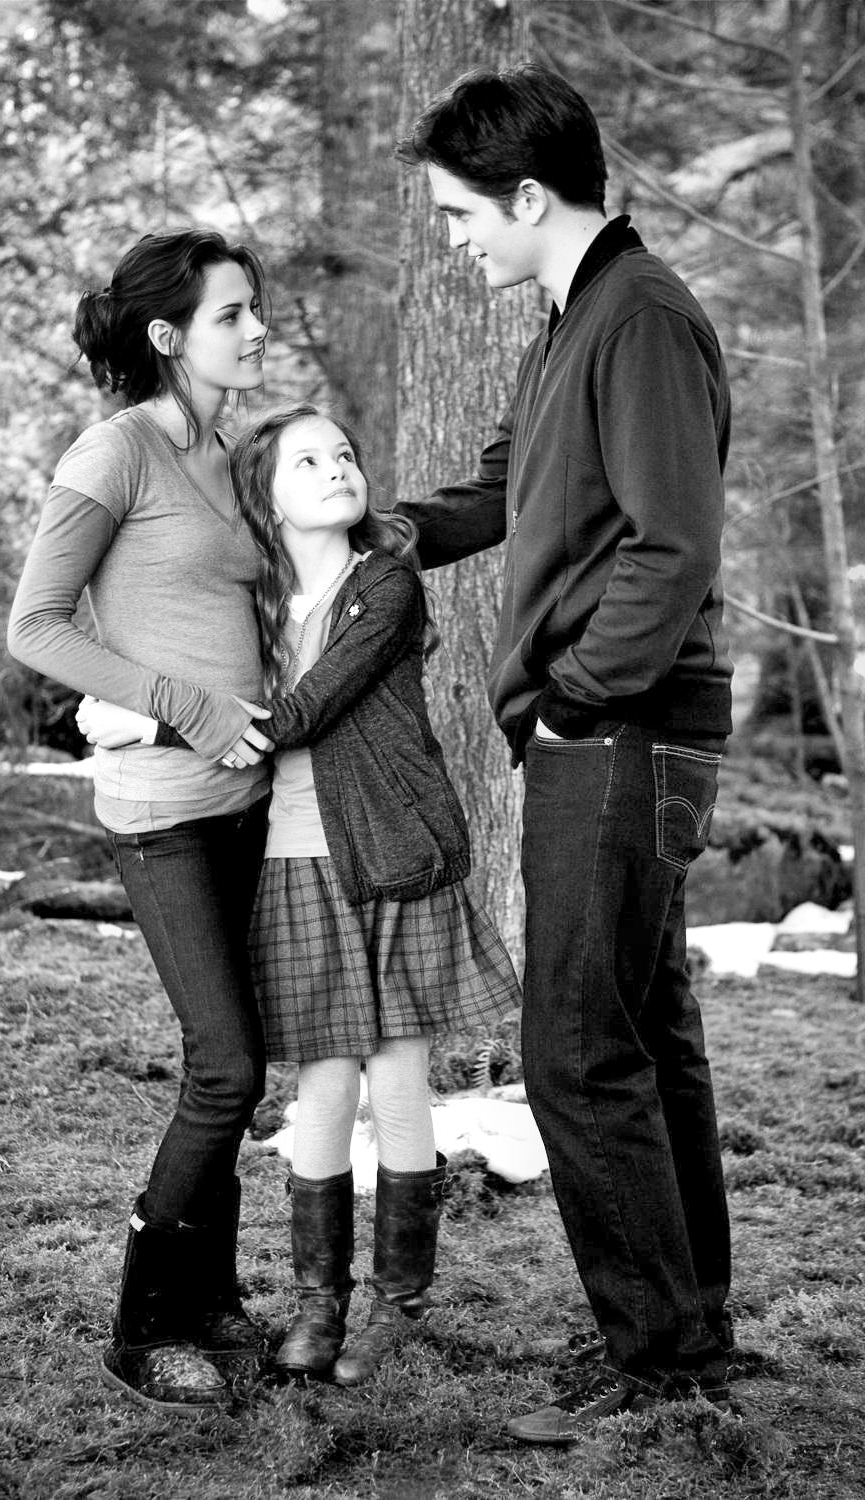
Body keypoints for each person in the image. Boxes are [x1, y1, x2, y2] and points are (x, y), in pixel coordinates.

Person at [394, 65, 735, 1443]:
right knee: (645, 1032)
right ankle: (690, 1333)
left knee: (577, 1049)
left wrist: (575, 700)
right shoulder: (570, 322)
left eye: (460, 213)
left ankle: (655, 1359)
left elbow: (673, 544)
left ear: (528, 196)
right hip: (620, 727)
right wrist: (380, 533)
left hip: (624, 728)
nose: (453, 238)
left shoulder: (638, 317)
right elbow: (503, 488)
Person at [78, 401, 522, 1387]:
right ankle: (319, 1304)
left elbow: (301, 712)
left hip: (391, 854)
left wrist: (149, 723)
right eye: (307, 462)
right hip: (292, 864)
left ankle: (397, 1301)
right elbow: (185, 658)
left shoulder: (383, 587)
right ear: (265, 498)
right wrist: (121, 688)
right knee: (323, 1084)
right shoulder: (253, 604)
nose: (336, 470)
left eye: (345, 455)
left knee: (397, 1074)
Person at [7, 228, 277, 1413]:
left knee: (236, 1064)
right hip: (162, 810)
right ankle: (142, 1324)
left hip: (252, 803)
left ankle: (210, 1298)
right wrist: (179, 705)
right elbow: (36, 624)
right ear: (169, 335)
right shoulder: (113, 452)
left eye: (254, 309)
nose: (257, 329)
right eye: (233, 314)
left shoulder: (232, 452)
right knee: (225, 1068)